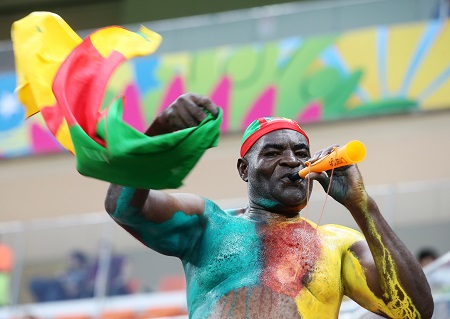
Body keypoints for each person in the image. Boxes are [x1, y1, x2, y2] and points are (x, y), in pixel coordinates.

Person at [105, 93, 434, 318]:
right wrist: (157, 135)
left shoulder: (338, 244)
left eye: (302, 153)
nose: (292, 161)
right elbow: (123, 206)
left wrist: (363, 206)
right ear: (244, 169)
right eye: (274, 152)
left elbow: (415, 311)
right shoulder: (207, 225)